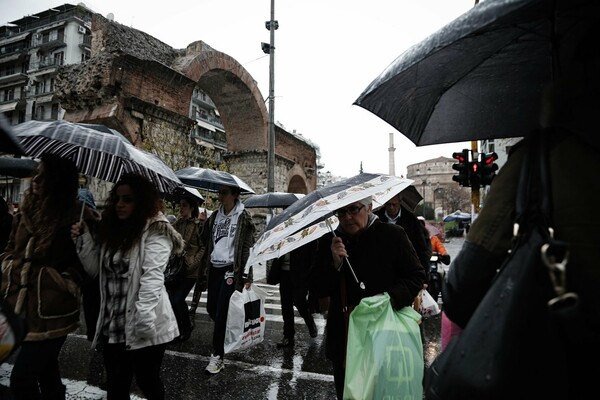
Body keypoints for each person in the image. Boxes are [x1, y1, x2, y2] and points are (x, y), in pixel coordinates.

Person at [71, 173, 184, 399]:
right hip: (113, 325)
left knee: (147, 381)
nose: (120, 204)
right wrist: (84, 238)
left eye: (128, 199)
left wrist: (143, 323)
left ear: (141, 201)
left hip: (145, 323)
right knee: (116, 385)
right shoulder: (113, 229)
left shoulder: (156, 230)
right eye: (118, 198)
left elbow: (152, 278)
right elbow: (96, 271)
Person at [312, 196, 426, 399]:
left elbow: (416, 276)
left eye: (354, 209)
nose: (347, 217)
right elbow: (318, 288)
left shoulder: (392, 235)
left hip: (386, 334)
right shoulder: (332, 241)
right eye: (341, 212)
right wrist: (335, 264)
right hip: (347, 338)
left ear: (369, 207)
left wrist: (388, 297)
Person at [0, 153, 90, 399]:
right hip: (19, 305)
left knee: (21, 379)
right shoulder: (25, 211)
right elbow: (9, 248)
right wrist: (8, 266)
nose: (36, 178)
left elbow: (87, 266)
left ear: (58, 180)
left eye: (44, 174)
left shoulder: (77, 215)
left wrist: (62, 281)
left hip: (52, 309)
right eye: (37, 172)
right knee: (46, 373)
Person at [200, 184, 255, 374]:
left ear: (234, 195)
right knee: (212, 309)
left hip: (231, 269)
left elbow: (247, 247)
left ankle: (218, 356)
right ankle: (228, 333)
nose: (220, 196)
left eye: (224, 193)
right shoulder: (215, 216)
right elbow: (204, 240)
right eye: (219, 192)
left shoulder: (243, 217)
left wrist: (248, 274)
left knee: (222, 310)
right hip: (214, 267)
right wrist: (203, 224)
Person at [168, 195, 205, 342]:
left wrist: (194, 262)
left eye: (184, 205)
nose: (181, 208)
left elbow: (203, 247)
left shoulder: (198, 225)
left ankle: (186, 326)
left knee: (177, 299)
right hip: (178, 269)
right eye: (180, 205)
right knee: (172, 300)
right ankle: (179, 328)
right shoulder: (178, 223)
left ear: (191, 208)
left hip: (191, 271)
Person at [271, 240, 319, 348]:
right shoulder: (283, 232)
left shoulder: (306, 232)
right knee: (286, 305)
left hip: (300, 274)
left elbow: (313, 254)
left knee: (299, 301)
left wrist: (308, 273)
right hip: (284, 273)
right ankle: (288, 336)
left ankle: (309, 321)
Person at [375, 193, 432, 279]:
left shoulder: (411, 220)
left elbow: (422, 249)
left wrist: (423, 276)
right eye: (388, 204)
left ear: (400, 202)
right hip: (382, 270)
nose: (391, 207)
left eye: (394, 204)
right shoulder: (375, 218)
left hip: (405, 270)